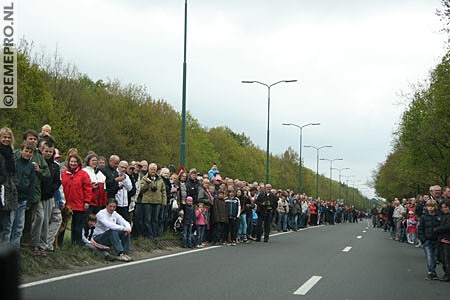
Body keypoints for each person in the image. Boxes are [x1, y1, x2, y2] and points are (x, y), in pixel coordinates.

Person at [61, 153, 92, 245]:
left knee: (77, 226)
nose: (73, 163)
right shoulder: (64, 173)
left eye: (75, 162)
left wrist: (87, 201)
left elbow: (88, 189)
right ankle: (59, 243)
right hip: (66, 203)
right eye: (71, 161)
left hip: (79, 203)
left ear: (78, 163)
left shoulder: (83, 174)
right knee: (62, 225)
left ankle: (76, 244)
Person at [9, 142, 35, 248]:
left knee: (19, 226)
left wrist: (30, 200)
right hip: (13, 198)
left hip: (23, 200)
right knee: (9, 224)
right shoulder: (15, 163)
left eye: (30, 152)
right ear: (21, 151)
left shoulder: (31, 167)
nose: (27, 153)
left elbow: (32, 184)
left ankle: (14, 249)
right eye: (26, 151)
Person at [37, 140, 61, 252]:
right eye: (46, 151)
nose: (48, 153)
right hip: (38, 195)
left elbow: (57, 181)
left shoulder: (55, 166)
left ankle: (43, 243)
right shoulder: (39, 163)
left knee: (46, 220)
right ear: (42, 150)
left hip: (49, 196)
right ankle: (35, 242)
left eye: (50, 152)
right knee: (39, 219)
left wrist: (51, 189)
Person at [0, 127, 18, 244]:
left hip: (10, 192)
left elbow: (14, 172)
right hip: (1, 190)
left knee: (7, 226)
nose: (7, 139)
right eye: (4, 137)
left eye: (9, 137)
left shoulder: (11, 153)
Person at [139, 163, 167, 240]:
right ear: (149, 169)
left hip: (157, 201)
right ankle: (149, 234)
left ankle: (155, 235)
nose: (153, 171)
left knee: (155, 219)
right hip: (147, 201)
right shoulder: (144, 178)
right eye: (151, 169)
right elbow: (141, 189)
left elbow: (163, 191)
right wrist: (147, 184)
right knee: (147, 219)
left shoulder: (160, 179)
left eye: (154, 169)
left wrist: (164, 202)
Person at [418, 199, 441, 280]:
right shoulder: (423, 217)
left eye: (432, 206)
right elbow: (420, 228)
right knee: (429, 256)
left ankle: (433, 272)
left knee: (434, 257)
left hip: (436, 239)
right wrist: (423, 239)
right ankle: (431, 272)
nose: (430, 208)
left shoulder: (438, 216)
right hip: (427, 240)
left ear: (435, 207)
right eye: (429, 206)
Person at [435, 200, 450, 282]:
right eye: (443, 207)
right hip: (442, 239)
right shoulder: (443, 216)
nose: (444, 209)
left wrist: (437, 229)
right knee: (443, 258)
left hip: (447, 239)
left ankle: (448, 274)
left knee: (447, 258)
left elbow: (447, 227)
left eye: (446, 207)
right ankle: (446, 273)